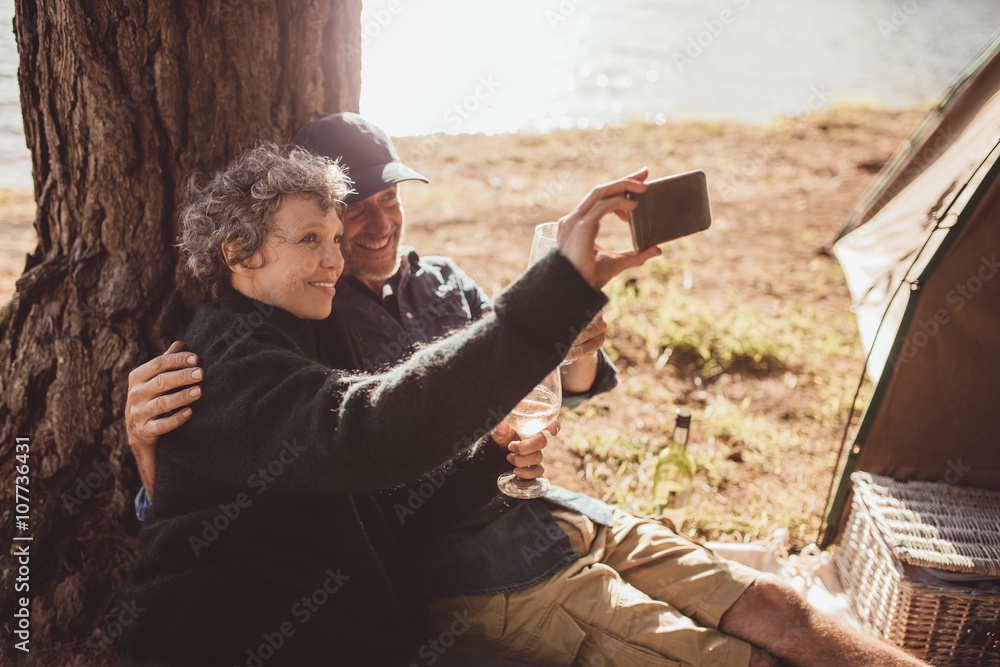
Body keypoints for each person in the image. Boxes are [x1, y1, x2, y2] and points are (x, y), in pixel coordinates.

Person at [125, 116, 929, 667]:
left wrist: (558, 353)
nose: (346, 248)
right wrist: (150, 465)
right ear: (239, 249)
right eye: (322, 233)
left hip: (557, 511)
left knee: (789, 612)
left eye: (354, 223)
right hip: (488, 565)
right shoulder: (274, 341)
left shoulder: (345, 302)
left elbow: (534, 388)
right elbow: (371, 429)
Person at [120, 142, 656, 666]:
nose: (334, 258)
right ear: (237, 252)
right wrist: (555, 290)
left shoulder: (308, 332)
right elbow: (374, 430)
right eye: (310, 239)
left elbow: (384, 509)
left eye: (334, 237)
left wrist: (489, 453)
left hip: (353, 635)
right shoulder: (225, 366)